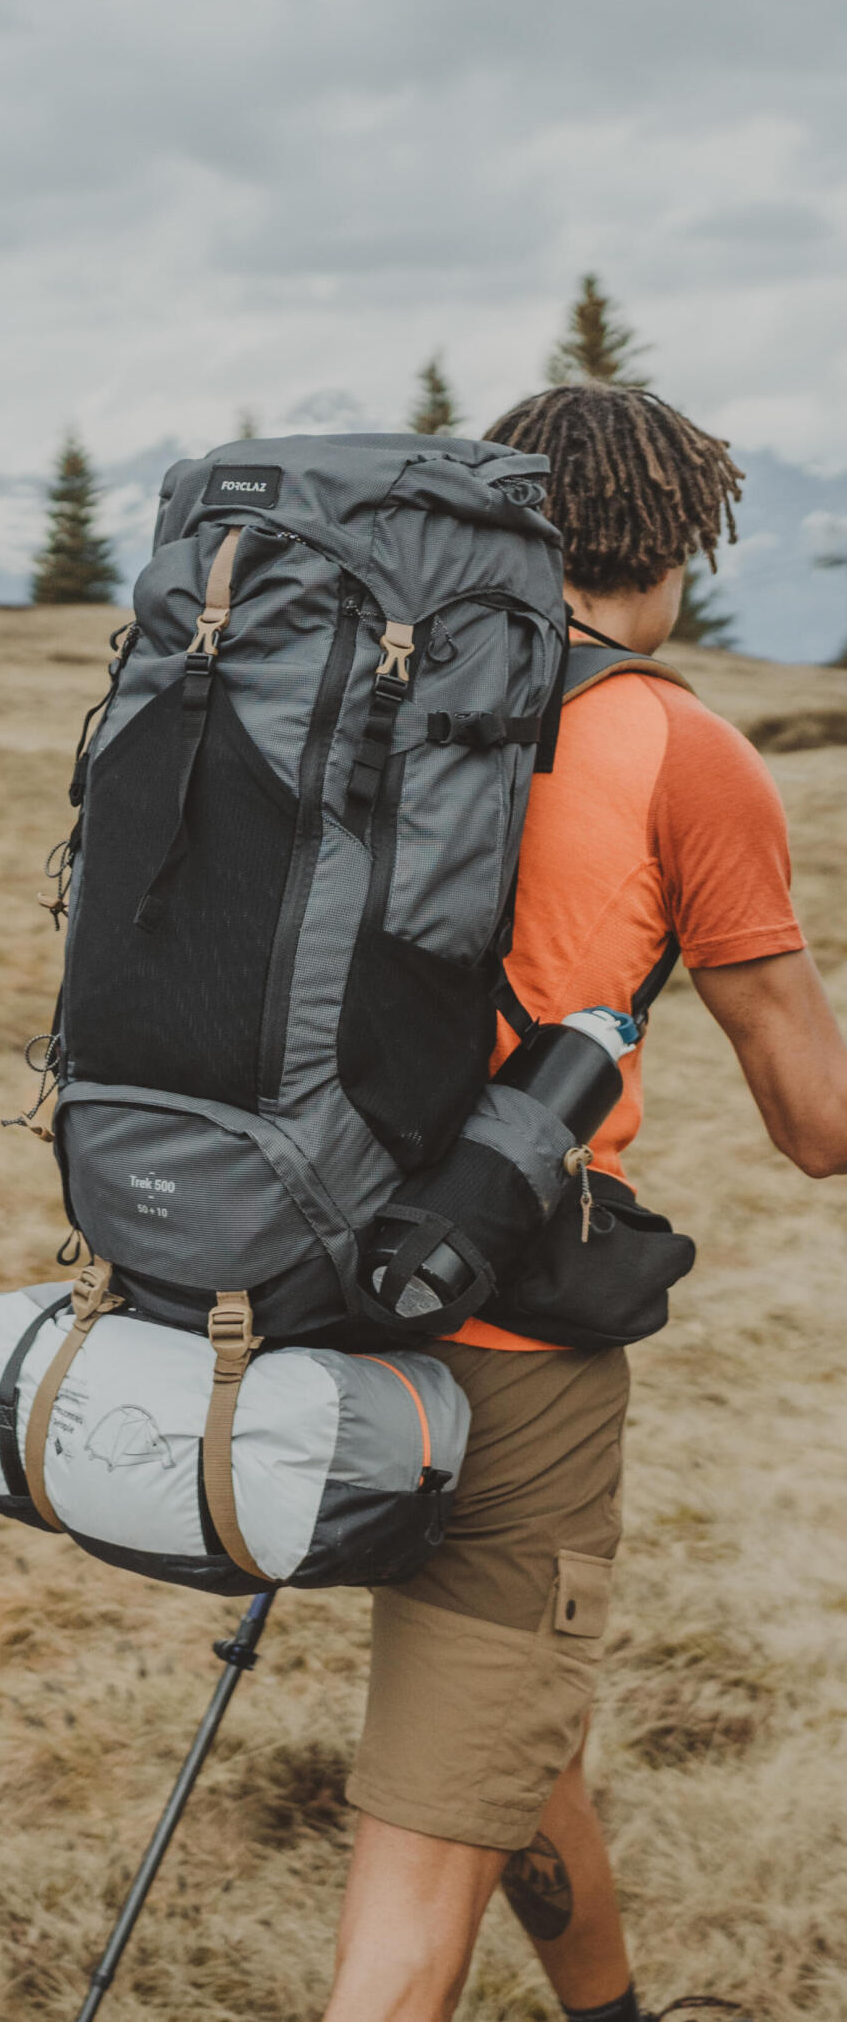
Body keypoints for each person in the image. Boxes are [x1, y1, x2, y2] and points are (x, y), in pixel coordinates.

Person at [323, 386, 847, 2022]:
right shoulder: (678, 746)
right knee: (423, 1856)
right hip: (499, 1323)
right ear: (682, 538)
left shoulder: (351, 687)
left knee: (499, 1714)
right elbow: (819, 1122)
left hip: (283, 1282)